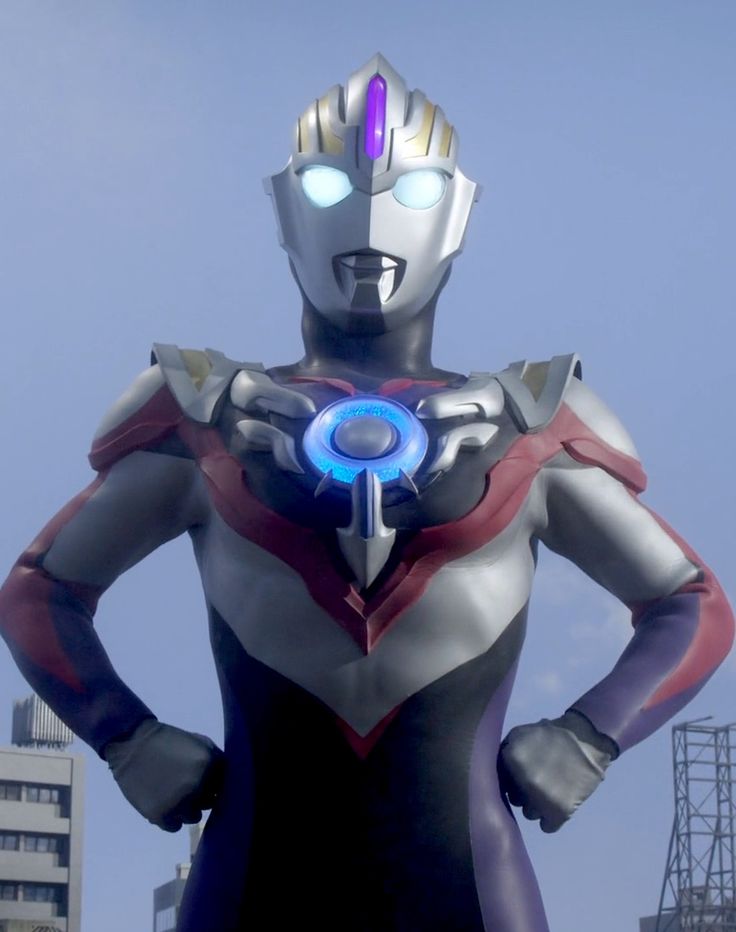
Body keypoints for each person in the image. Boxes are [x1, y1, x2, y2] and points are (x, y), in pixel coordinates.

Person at [1, 54, 732, 932]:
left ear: (457, 210)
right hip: (258, 869)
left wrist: (591, 732)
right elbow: (41, 590)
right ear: (285, 206)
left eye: (413, 192)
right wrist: (124, 734)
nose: (371, 218)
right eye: (325, 187)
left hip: (464, 871)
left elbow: (691, 602)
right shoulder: (202, 416)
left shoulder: (531, 426)